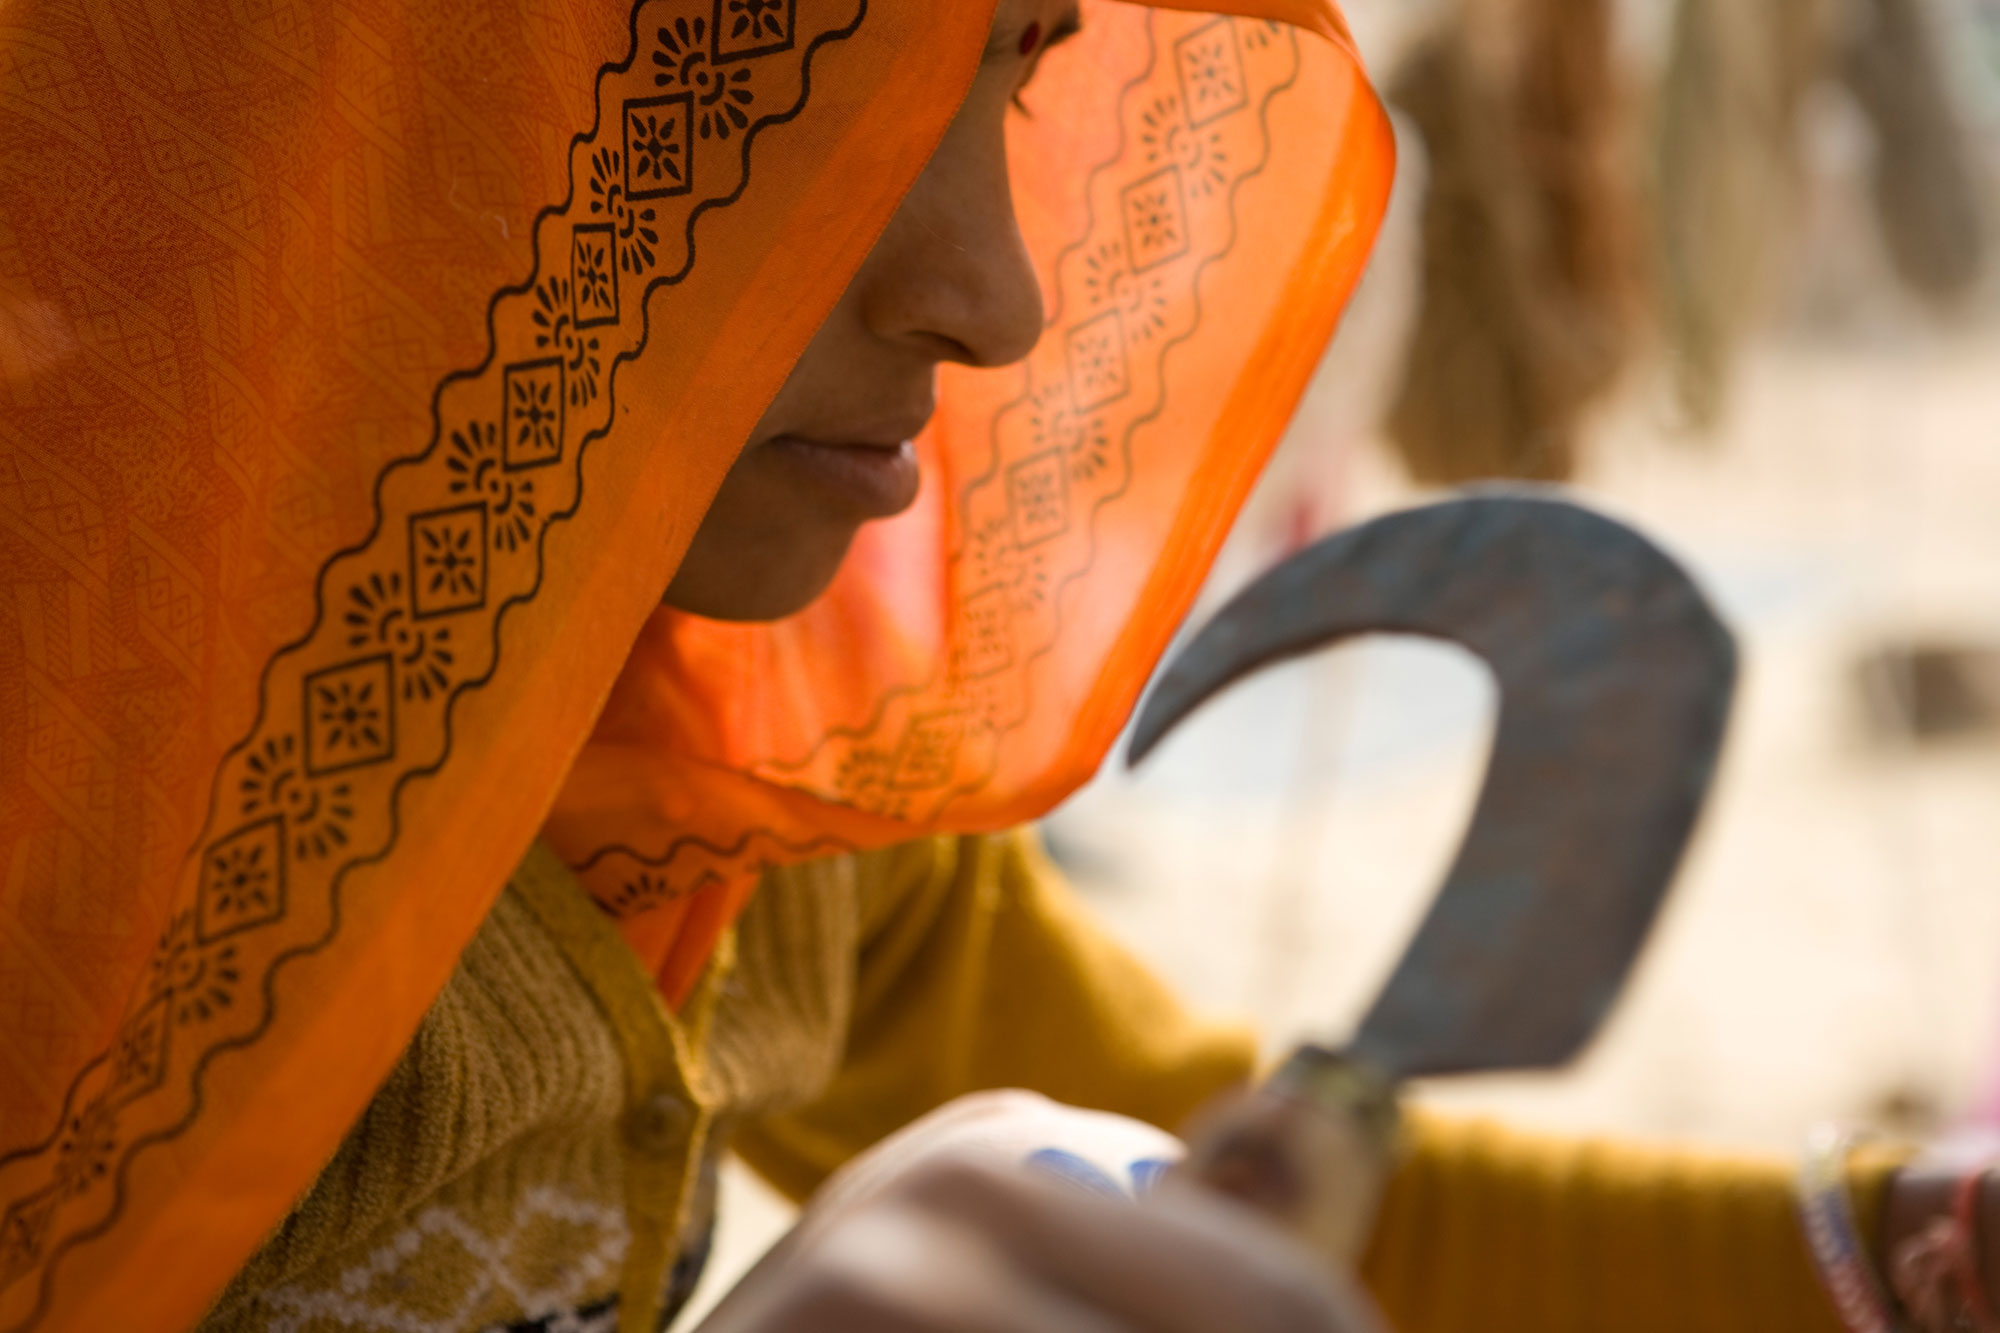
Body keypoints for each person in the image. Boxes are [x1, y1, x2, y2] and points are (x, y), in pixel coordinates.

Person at [0, 1, 1983, 1331]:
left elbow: (1230, 1158)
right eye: (805, 103)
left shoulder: (728, 770)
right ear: (360, 103)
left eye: (1011, 78)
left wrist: (1898, 1249)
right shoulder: (61, 813)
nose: (997, 297)